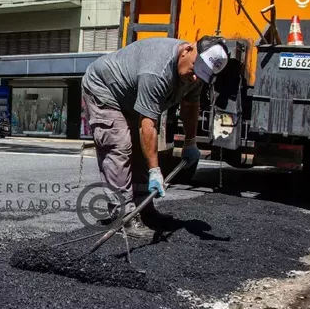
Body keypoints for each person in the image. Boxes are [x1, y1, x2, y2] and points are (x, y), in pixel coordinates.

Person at [81, 36, 229, 233]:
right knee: (120, 146)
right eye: (195, 68)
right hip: (104, 89)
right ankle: (122, 215)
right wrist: (155, 171)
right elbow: (147, 125)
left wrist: (190, 142)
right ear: (188, 49)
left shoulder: (195, 75)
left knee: (142, 151)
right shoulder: (157, 71)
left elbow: (190, 105)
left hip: (130, 96)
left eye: (202, 74)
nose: (194, 78)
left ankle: (144, 210)